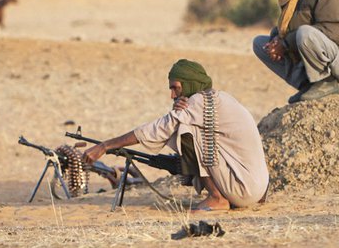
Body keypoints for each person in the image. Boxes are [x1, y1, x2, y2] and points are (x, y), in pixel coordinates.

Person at [81, 59, 269, 212]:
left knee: (186, 130)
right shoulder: (218, 98)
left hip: (242, 189)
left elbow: (158, 128)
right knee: (184, 125)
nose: (172, 95)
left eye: (176, 88)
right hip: (257, 189)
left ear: (189, 84)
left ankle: (217, 198)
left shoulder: (199, 101)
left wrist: (105, 146)